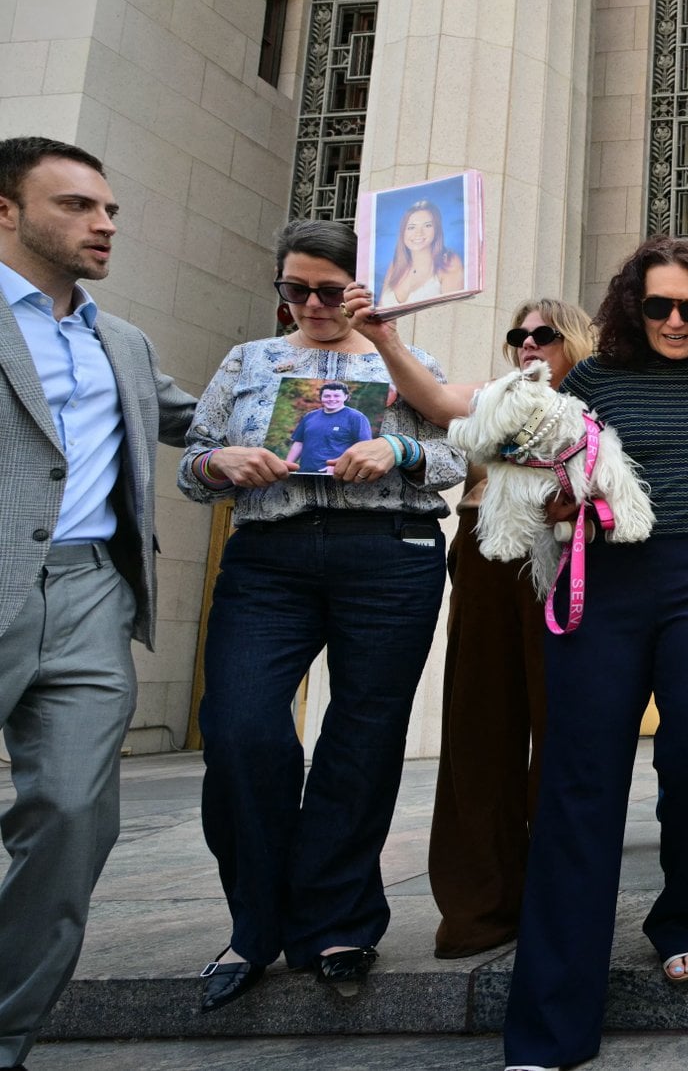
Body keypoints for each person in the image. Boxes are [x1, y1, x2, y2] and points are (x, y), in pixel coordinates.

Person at [502, 239, 688, 1070]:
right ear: (633, 308)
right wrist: (550, 494)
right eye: (658, 306)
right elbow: (546, 473)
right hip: (609, 574)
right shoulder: (593, 383)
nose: (674, 321)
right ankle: (549, 1028)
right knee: (578, 778)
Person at [178, 219, 465, 1013]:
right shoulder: (248, 361)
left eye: (329, 290)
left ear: (360, 289)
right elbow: (192, 460)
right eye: (294, 289)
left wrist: (399, 452)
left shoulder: (405, 361)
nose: (310, 303)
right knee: (240, 729)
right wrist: (218, 461)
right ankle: (255, 923)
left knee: (361, 739)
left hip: (389, 553)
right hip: (269, 554)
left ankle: (339, 921)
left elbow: (459, 454)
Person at [0, 137, 196, 1068]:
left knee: (78, 816)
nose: (105, 222)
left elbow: (196, 418)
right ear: (8, 211)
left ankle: (5, 1034)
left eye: (109, 208)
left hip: (88, 593)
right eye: (78, 206)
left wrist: (349, 381)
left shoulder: (121, 339)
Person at [341, 288, 595, 959]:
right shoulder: (494, 396)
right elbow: (433, 399)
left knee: (565, 733)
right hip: (487, 552)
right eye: (519, 336)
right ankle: (480, 907)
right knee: (478, 729)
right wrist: (385, 339)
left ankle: (559, 901)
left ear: (577, 341)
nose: (529, 344)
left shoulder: (601, 401)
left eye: (545, 333)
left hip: (572, 562)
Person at [378, 198, 465, 308]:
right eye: (411, 227)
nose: (418, 233)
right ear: (403, 232)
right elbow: (380, 311)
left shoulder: (449, 262)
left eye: (427, 225)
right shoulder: (396, 264)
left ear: (436, 230)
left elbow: (453, 314)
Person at [284, 380, 373, 473]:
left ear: (345, 397)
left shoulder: (356, 417)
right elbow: (299, 443)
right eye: (327, 396)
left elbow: (364, 448)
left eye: (336, 396)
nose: (331, 399)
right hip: (304, 471)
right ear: (321, 397)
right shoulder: (310, 416)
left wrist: (339, 465)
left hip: (336, 474)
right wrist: (288, 465)